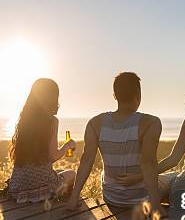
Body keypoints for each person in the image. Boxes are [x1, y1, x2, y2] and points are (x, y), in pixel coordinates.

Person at [66, 72, 162, 210]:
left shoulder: (95, 123)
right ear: (138, 95)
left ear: (115, 95)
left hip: (112, 197)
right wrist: (156, 205)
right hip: (142, 199)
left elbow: (86, 160)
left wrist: (73, 198)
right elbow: (149, 162)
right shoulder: (151, 123)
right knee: (171, 180)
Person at [7, 78, 76, 203]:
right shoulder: (52, 121)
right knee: (72, 174)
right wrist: (68, 145)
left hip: (17, 188)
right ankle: (62, 202)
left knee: (58, 172)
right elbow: (53, 156)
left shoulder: (24, 120)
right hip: (43, 188)